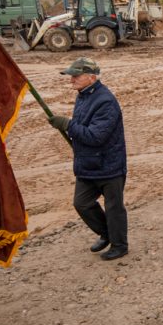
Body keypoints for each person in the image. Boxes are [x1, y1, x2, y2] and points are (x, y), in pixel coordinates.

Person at [47, 58, 129, 260]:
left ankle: (120, 245)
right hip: (88, 164)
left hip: (109, 165)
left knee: (113, 208)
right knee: (81, 203)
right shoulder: (83, 95)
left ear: (91, 78)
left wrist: (67, 124)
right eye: (70, 75)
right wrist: (71, 127)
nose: (71, 79)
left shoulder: (106, 101)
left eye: (76, 75)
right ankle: (106, 233)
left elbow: (96, 136)